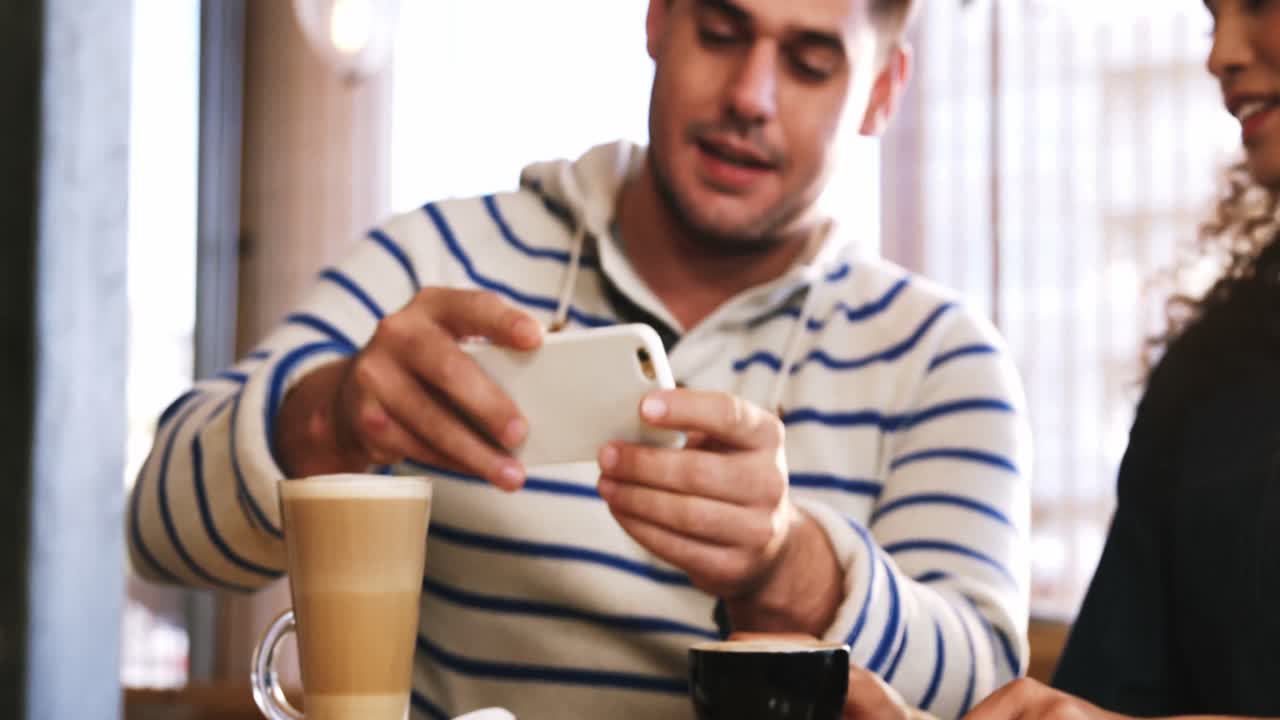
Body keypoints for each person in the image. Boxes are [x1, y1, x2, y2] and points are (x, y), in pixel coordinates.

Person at [128, 1, 1032, 718]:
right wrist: (330, 422)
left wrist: (790, 567)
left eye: (809, 62)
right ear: (657, 18)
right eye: (721, 32)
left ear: (882, 92)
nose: (751, 96)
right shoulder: (437, 260)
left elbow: (989, 695)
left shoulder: (943, 359)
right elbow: (156, 526)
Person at [962, 1, 1280, 719]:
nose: (1221, 54)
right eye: (1212, 16)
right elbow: (1106, 692)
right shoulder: (1208, 367)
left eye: (1258, 3)